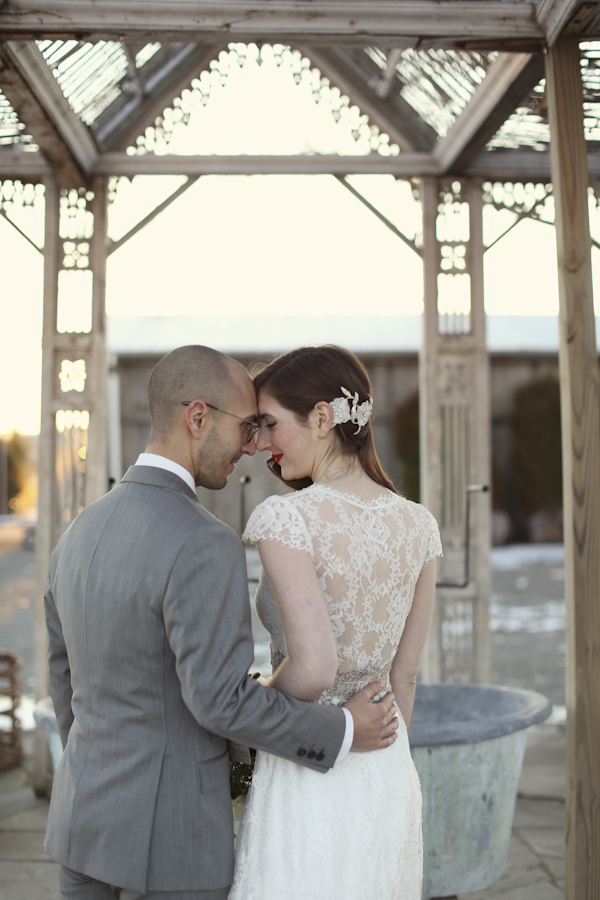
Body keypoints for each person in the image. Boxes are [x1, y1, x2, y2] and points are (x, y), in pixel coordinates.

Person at [43, 345, 399, 900]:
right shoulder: (202, 541)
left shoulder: (77, 534)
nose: (252, 447)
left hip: (81, 822)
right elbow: (220, 702)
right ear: (199, 417)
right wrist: (346, 730)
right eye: (246, 426)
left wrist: (96, 775)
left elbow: (64, 683)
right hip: (173, 843)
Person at [229, 345, 442, 900]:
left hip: (305, 766)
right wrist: (385, 771)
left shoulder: (286, 518)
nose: (263, 447)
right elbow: (406, 678)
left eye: (270, 424)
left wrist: (253, 710)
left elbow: (313, 669)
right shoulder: (419, 525)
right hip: (388, 768)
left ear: (322, 418)